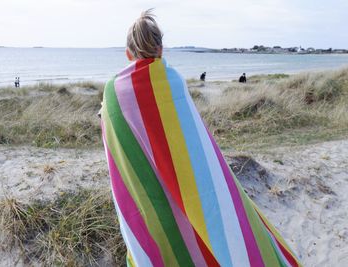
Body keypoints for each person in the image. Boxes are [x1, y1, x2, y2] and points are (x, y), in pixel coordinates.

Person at [100, 9, 301, 267]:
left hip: (143, 182)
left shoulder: (112, 89)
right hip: (185, 178)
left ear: (128, 54)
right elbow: (192, 142)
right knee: (201, 226)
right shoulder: (172, 80)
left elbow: (115, 141)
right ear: (161, 50)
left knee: (159, 229)